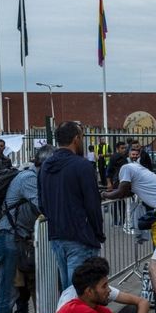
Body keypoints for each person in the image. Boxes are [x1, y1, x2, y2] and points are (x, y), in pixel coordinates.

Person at [0, 145, 53, 313]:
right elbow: (45, 206)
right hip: (7, 237)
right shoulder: (29, 179)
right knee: (7, 291)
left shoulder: (33, 177)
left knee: (10, 287)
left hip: (14, 237)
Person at [39, 121, 105, 291]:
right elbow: (93, 204)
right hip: (81, 236)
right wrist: (98, 232)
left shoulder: (46, 166)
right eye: (82, 137)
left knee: (69, 291)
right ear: (76, 139)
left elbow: (42, 202)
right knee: (82, 292)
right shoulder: (82, 166)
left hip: (57, 235)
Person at [102, 147, 156, 220]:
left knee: (148, 225)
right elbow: (127, 192)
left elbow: (121, 192)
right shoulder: (136, 166)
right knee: (149, 225)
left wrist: (104, 194)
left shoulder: (125, 168)